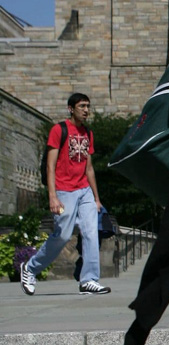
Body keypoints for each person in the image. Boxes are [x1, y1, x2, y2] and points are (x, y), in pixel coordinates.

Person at [21, 93, 111, 296]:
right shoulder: (58, 130)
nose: (86, 110)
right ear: (71, 108)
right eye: (82, 106)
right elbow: (50, 166)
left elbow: (89, 169)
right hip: (63, 191)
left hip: (84, 190)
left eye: (88, 106)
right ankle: (30, 268)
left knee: (90, 233)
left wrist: (96, 198)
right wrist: (52, 196)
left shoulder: (88, 133)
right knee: (62, 235)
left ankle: (89, 279)